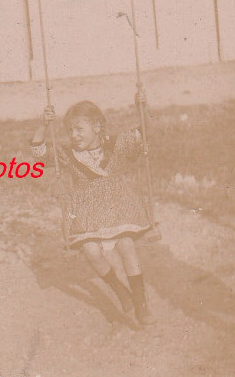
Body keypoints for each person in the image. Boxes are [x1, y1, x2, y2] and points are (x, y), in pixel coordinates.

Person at [30, 101, 154, 326]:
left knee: (127, 244)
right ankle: (120, 290)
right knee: (90, 250)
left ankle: (140, 299)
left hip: (119, 206)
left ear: (97, 127)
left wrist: (142, 106)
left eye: (79, 129)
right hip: (87, 211)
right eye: (70, 130)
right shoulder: (67, 153)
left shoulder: (117, 144)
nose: (74, 135)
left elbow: (144, 130)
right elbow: (38, 152)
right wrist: (43, 125)